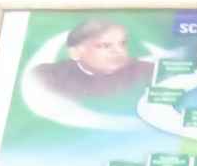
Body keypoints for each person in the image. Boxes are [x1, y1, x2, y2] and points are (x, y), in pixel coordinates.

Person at [28, 19, 156, 109]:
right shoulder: (48, 76)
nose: (119, 51)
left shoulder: (148, 72)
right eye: (105, 45)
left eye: (122, 44)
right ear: (75, 52)